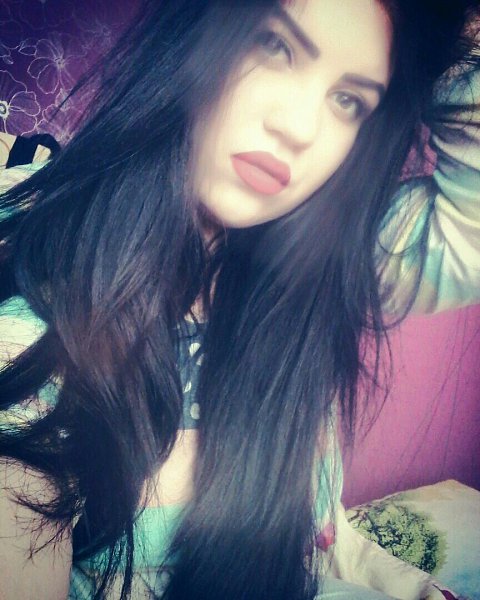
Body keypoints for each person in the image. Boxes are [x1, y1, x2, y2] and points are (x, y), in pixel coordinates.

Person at [0, 0, 479, 598]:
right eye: (275, 45)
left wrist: (441, 33)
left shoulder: (323, 271)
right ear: (194, 32)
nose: (299, 128)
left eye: (348, 100)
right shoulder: (33, 357)